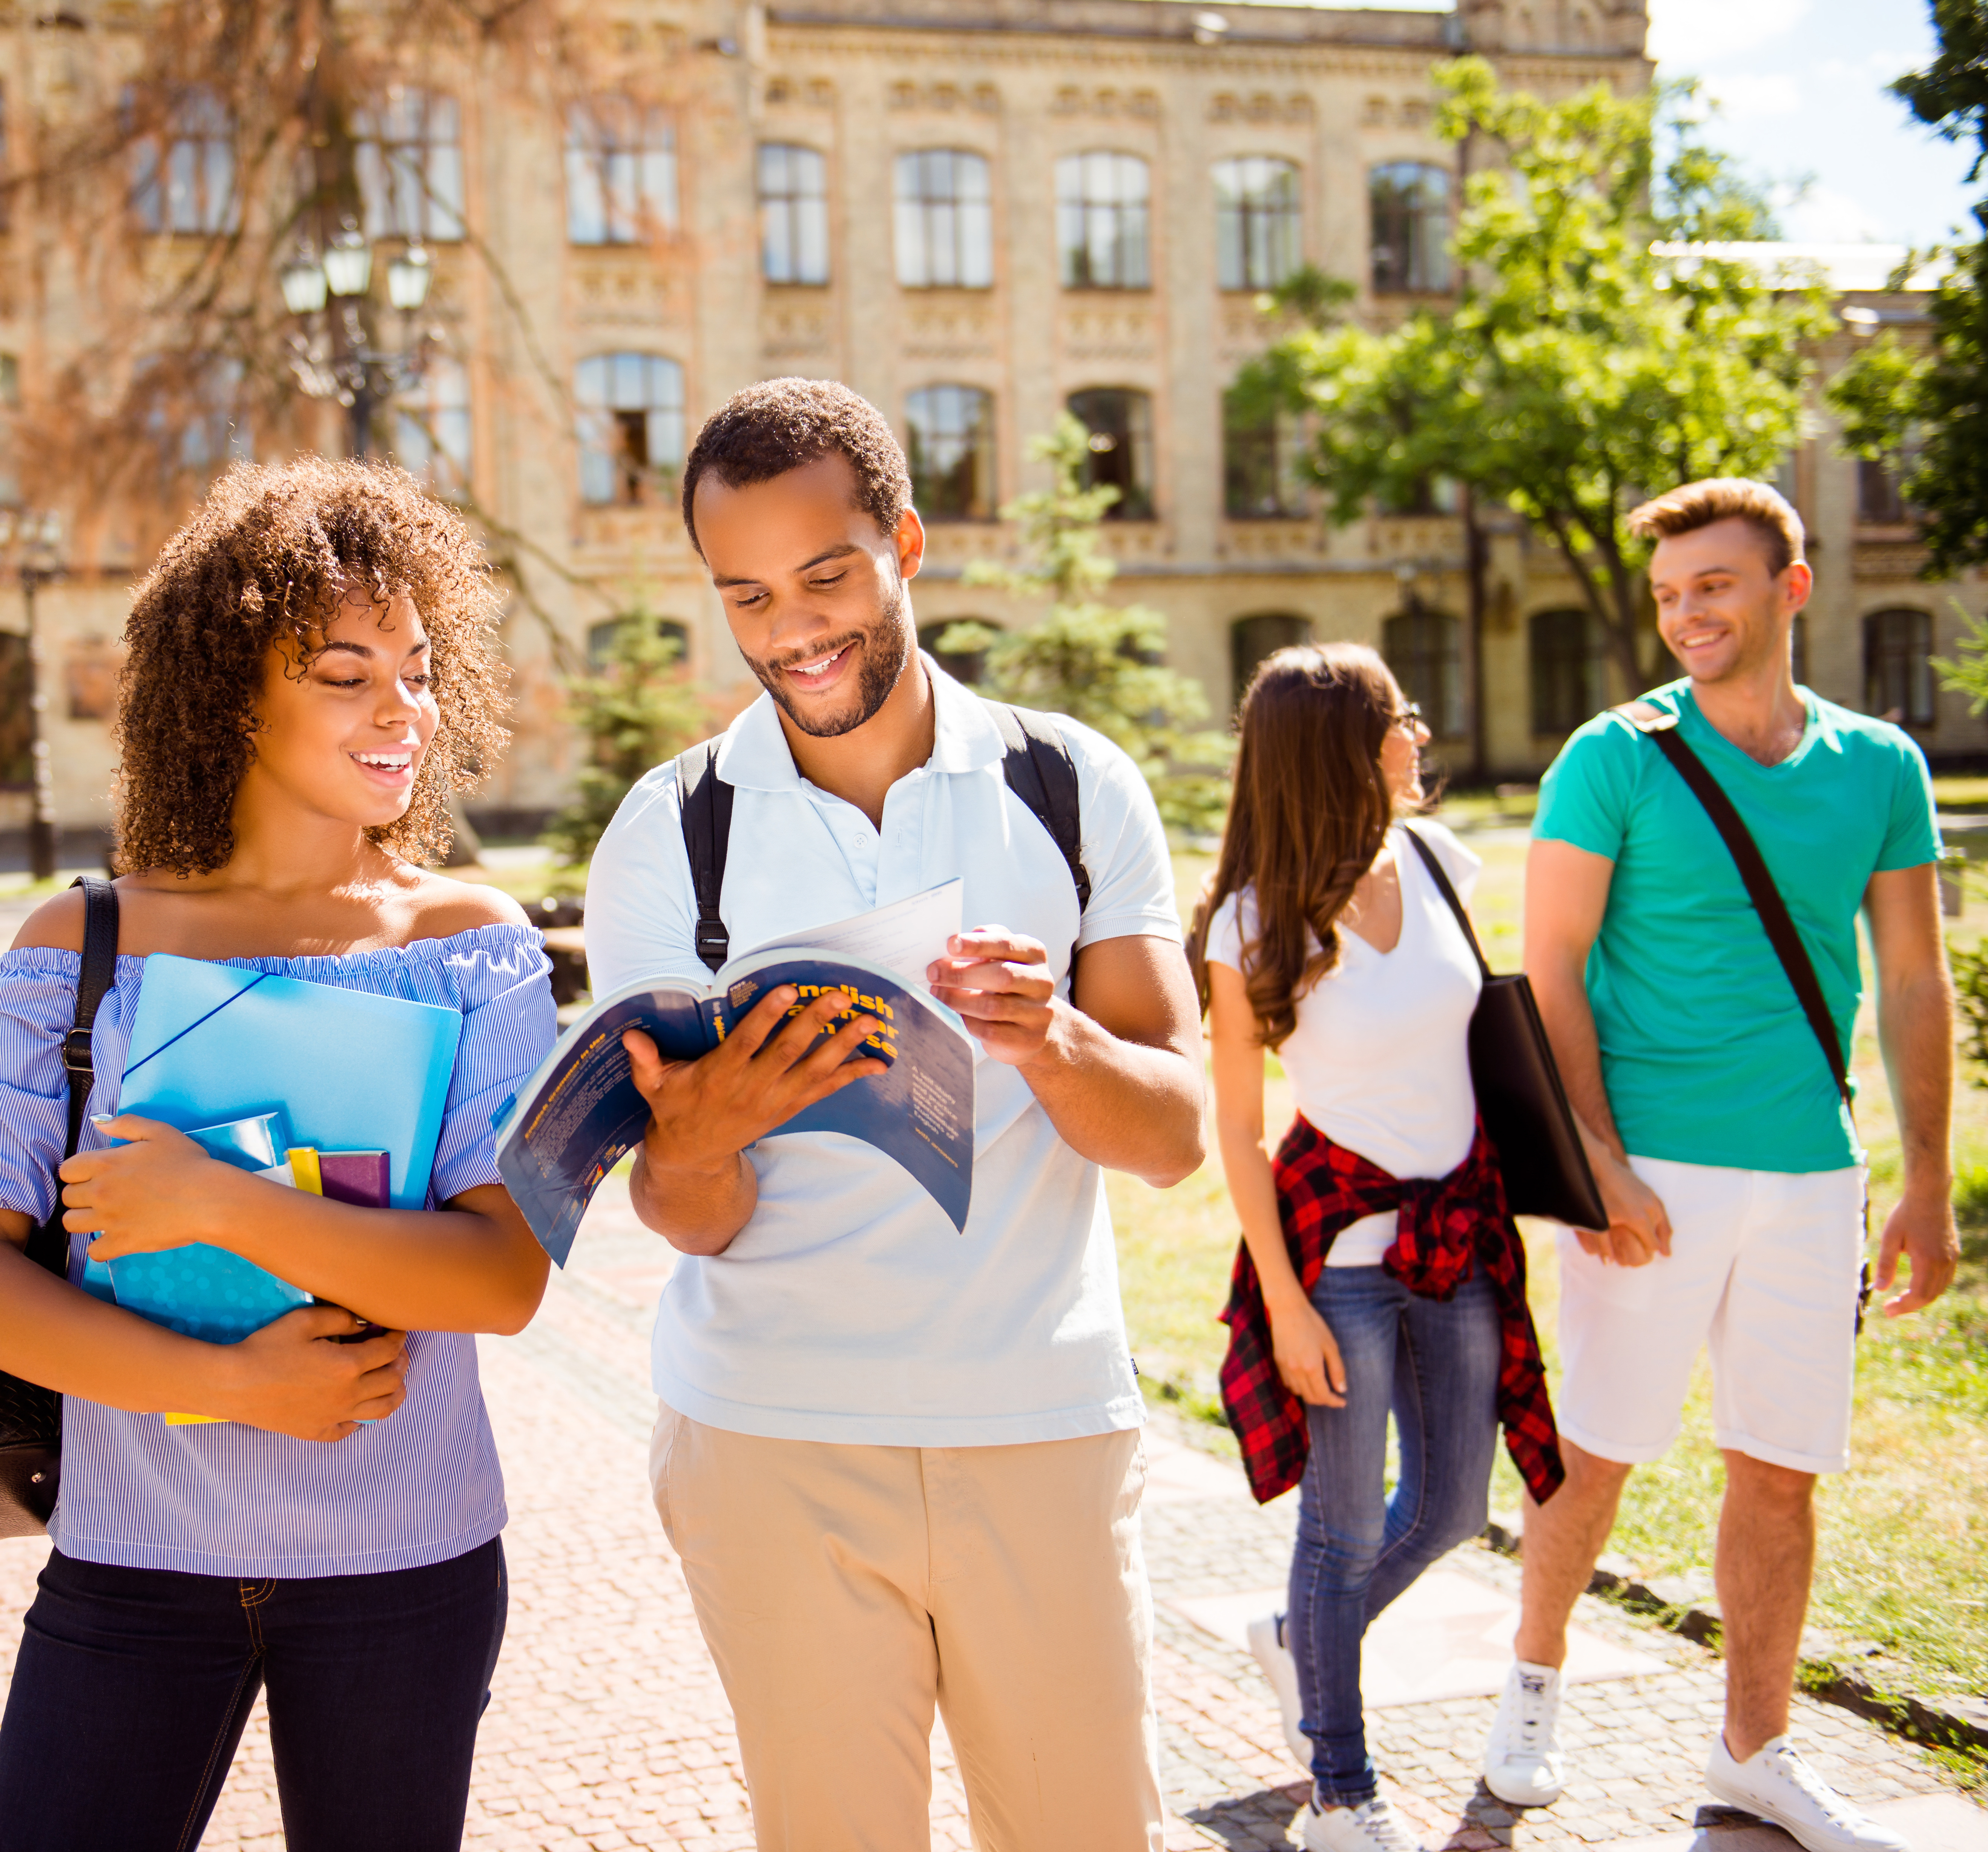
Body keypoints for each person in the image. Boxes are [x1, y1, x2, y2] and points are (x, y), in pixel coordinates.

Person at [580, 379, 1206, 1852]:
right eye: (746, 594)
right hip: (772, 1440)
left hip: (1036, 1426)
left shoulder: (1067, 786)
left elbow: (1175, 1133)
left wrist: (1048, 1038)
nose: (791, 629)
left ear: (905, 542)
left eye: (825, 575)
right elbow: (684, 1215)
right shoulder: (672, 835)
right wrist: (707, 1122)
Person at [0, 458, 555, 1852]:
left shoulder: (467, 942)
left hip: (408, 1563)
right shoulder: (80, 947)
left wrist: (218, 1201)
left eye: (419, 666)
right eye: (345, 671)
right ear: (232, 693)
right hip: (136, 1565)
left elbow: (504, 1278)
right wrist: (231, 1381)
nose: (404, 708)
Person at [1486, 479, 1954, 1852]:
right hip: (1653, 1173)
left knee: (1781, 1468)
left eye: (1715, 585)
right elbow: (1551, 966)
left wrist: (1923, 1179)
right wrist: (1595, 1157)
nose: (1686, 612)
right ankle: (1532, 1679)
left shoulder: (1880, 767)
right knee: (1603, 1445)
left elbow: (1914, 980)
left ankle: (1755, 1750)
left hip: (1812, 1170)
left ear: (1790, 588)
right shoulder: (1615, 756)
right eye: (1671, 591)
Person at [1193, 644, 1562, 1852]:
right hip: (1339, 1261)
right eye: (1399, 717)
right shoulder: (1253, 923)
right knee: (1340, 1528)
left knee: (1453, 1505)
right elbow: (1236, 1133)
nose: (1418, 734)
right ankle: (1339, 1786)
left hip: (1455, 1235)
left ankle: (1303, 1636)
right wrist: (1285, 1304)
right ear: (1345, 748)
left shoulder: (1440, 863)